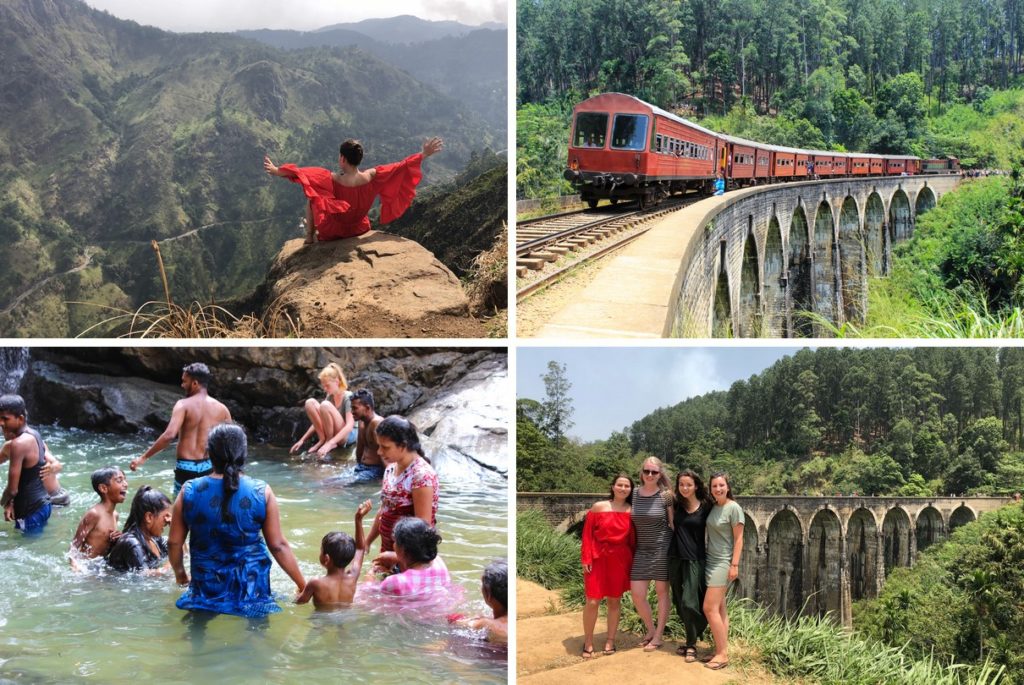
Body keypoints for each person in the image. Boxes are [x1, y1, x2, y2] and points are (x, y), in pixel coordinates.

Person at [168, 423, 305, 617]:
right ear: (244, 453)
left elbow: (174, 542)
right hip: (251, 587)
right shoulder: (261, 491)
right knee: (257, 631)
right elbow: (278, 546)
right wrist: (302, 584)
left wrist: (180, 574)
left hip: (206, 586)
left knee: (197, 626)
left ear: (209, 452)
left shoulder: (189, 490)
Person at [263, 136, 444, 244]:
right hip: (360, 228)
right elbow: (401, 167)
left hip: (334, 231)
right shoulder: (372, 176)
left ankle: (309, 237)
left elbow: (302, 174)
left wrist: (277, 170)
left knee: (312, 198)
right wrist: (423, 154)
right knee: (316, 196)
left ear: (342, 158)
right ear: (359, 158)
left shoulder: (332, 179)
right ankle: (312, 236)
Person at [130, 362, 231, 497]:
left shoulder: (183, 405)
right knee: (205, 504)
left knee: (181, 508)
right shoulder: (222, 409)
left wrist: (143, 457)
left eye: (184, 381)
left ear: (195, 383)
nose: (182, 385)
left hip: (186, 466)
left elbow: (169, 435)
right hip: (208, 465)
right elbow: (231, 441)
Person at [580, 474, 635, 658]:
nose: (623, 488)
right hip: (597, 557)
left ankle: (610, 640)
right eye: (620, 485)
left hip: (620, 559)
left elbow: (633, 541)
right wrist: (586, 558)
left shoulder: (631, 511)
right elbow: (587, 535)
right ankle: (588, 640)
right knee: (592, 600)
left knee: (614, 600)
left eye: (627, 486)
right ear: (613, 487)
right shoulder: (599, 507)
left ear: (631, 489)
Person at [366, 416, 438, 554]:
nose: (379, 452)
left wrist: (396, 558)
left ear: (403, 446)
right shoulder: (390, 469)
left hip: (412, 558)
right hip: (388, 551)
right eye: (379, 446)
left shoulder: (421, 476)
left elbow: (423, 529)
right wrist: (368, 541)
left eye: (385, 447)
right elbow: (384, 510)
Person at [630, 457, 673, 652]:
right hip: (641, 550)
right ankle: (650, 629)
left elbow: (673, 524)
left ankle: (658, 636)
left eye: (654, 472)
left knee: (662, 593)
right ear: (641, 473)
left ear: (660, 474)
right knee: (637, 594)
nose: (649, 475)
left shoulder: (666, 496)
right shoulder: (635, 494)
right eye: (646, 471)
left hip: (662, 549)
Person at [702, 471, 744, 671]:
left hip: (723, 562)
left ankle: (722, 654)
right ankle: (720, 648)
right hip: (710, 560)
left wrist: (734, 564)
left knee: (709, 608)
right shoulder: (714, 507)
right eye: (714, 486)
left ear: (728, 487)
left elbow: (739, 539)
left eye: (721, 485)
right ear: (710, 489)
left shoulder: (733, 508)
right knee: (720, 609)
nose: (718, 489)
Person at [296, 500, 371, 610]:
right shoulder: (353, 577)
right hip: (346, 616)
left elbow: (300, 602)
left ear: (326, 558)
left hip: (321, 619)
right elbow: (360, 549)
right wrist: (358, 520)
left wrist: (297, 593)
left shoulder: (315, 583)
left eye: (321, 550)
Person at [669, 469, 711, 662]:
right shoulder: (676, 504)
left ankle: (692, 644)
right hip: (675, 557)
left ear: (696, 486)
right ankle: (690, 640)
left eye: (688, 484)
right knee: (679, 602)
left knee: (690, 602)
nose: (685, 488)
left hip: (696, 558)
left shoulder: (706, 506)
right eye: (681, 484)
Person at [0, 399, 69, 508]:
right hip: (35, 499)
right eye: (3, 429)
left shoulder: (35, 442)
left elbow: (58, 465)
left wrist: (52, 467)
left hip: (55, 498)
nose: (4, 430)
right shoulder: (8, 447)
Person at [0, 394, 53, 533]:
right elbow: (24, 479)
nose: (1, 423)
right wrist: (10, 503)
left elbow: (12, 489)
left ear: (21, 418)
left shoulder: (18, 444)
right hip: (43, 505)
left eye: (5, 418)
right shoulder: (34, 434)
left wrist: (2, 502)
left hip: (30, 512)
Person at [290, 363, 356, 459]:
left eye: (327, 386)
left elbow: (349, 426)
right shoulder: (330, 396)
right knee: (310, 402)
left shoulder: (348, 396)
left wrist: (331, 443)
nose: (325, 389)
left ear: (337, 381)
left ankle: (329, 441)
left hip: (347, 436)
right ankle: (322, 440)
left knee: (324, 405)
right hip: (334, 434)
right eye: (323, 386)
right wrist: (302, 440)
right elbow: (318, 420)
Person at [372, 517, 450, 596]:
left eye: (395, 541)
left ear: (402, 550)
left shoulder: (395, 582)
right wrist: (394, 558)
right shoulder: (439, 563)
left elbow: (365, 598)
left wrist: (371, 573)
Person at [106, 485, 173, 573]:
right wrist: (174, 561)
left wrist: (175, 529)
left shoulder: (154, 538)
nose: (168, 520)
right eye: (166, 516)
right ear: (149, 517)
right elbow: (144, 575)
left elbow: (184, 554)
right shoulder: (131, 542)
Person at [71, 467, 128, 558]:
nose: (125, 484)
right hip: (87, 565)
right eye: (119, 480)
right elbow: (73, 547)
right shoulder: (94, 514)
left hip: (102, 563)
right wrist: (75, 566)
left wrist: (115, 541)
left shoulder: (115, 515)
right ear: (103, 488)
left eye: (125, 480)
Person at [350, 389, 385, 481]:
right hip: (362, 468)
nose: (352, 411)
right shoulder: (362, 422)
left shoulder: (377, 423)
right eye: (351, 408)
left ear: (367, 408)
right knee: (329, 482)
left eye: (355, 408)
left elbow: (385, 451)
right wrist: (357, 466)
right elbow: (360, 448)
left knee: (341, 485)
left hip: (375, 471)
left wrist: (387, 478)